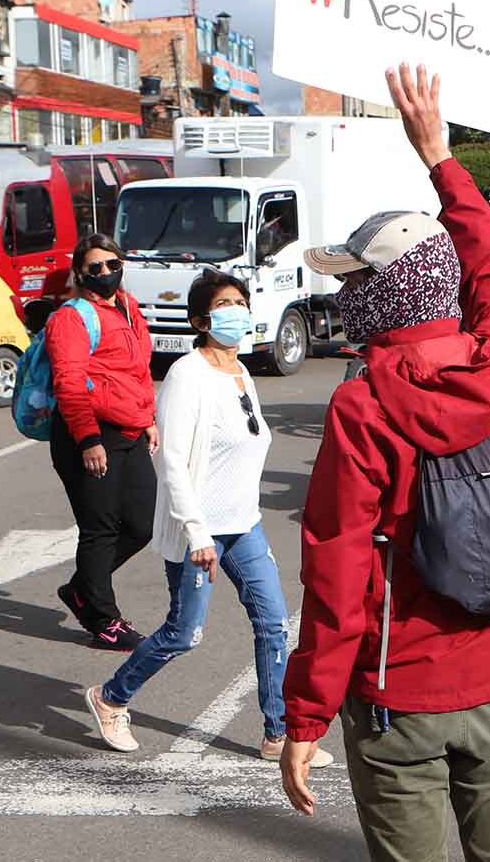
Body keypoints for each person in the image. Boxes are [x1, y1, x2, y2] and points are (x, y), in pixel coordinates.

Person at [281, 64, 490, 861]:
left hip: (397, 693)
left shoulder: (363, 406)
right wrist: (439, 156)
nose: (344, 296)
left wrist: (304, 719)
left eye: (355, 280)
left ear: (384, 293)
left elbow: (337, 575)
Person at [83, 270, 333, 769]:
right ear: (201, 319)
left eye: (240, 301)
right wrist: (197, 533)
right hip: (199, 529)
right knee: (184, 632)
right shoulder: (186, 376)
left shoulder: (241, 373)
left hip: (244, 524)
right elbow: (173, 461)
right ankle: (111, 697)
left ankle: (277, 732)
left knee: (272, 624)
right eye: (224, 304)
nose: (235, 311)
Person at [48, 234, 158, 652]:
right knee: (101, 529)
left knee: (142, 525)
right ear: (80, 272)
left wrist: (148, 417)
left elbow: (139, 369)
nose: (106, 273)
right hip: (89, 434)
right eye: (95, 268)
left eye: (113, 264)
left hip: (129, 430)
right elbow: (69, 384)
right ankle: (102, 618)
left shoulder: (128, 309)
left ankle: (81, 590)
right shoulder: (71, 318)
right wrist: (88, 440)